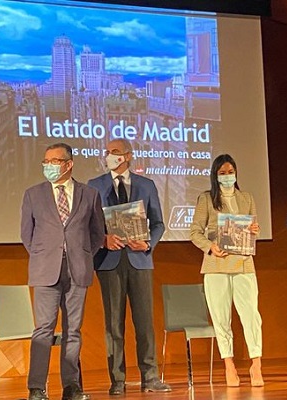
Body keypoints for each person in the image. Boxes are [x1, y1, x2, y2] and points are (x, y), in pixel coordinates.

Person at [21, 143, 105, 400]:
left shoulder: (89, 194)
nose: (49, 166)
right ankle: (37, 388)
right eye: (46, 161)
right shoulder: (33, 194)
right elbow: (27, 235)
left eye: (55, 161)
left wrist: (79, 253)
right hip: (45, 269)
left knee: (73, 330)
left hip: (77, 268)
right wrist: (47, 255)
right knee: (43, 329)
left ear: (69, 164)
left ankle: (71, 386)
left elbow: (97, 233)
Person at [87, 138, 171, 395]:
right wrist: (103, 238)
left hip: (139, 259)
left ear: (127, 156)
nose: (110, 156)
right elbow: (87, 224)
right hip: (108, 261)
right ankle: (118, 380)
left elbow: (158, 223)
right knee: (113, 323)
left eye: (115, 152)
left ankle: (150, 376)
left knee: (145, 321)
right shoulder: (94, 185)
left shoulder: (146, 185)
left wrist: (146, 244)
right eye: (108, 152)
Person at [189, 154, 265, 387]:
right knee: (221, 318)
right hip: (216, 266)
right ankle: (229, 365)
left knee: (251, 315)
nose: (227, 176)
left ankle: (256, 364)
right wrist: (210, 247)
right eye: (222, 173)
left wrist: (254, 229)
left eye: (230, 171)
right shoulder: (206, 199)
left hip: (243, 264)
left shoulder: (247, 198)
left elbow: (253, 231)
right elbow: (194, 232)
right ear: (215, 175)